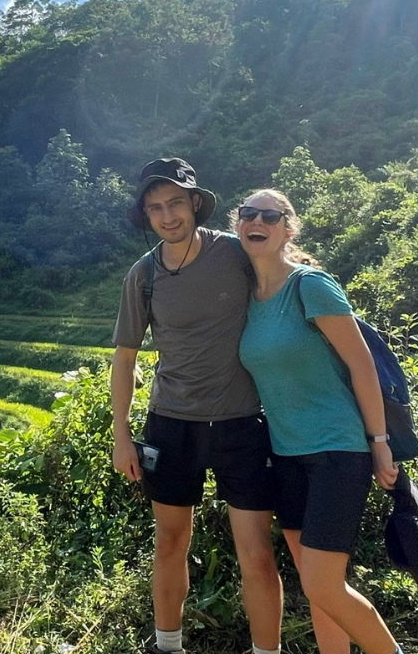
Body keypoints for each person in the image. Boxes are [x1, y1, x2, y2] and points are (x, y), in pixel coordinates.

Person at [111, 158, 282, 654]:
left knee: (257, 553)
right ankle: (167, 646)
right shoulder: (143, 275)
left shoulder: (234, 253)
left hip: (242, 425)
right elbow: (125, 358)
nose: (167, 216)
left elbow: (286, 274)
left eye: (176, 204)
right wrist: (121, 434)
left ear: (195, 204)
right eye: (156, 208)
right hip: (172, 426)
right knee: (169, 543)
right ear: (146, 215)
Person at [233, 188, 403, 654]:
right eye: (249, 213)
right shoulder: (248, 298)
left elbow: (361, 365)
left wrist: (380, 441)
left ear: (289, 228)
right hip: (286, 456)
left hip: (337, 451)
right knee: (316, 585)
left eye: (272, 215)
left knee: (325, 586)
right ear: (238, 224)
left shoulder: (311, 285)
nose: (258, 221)